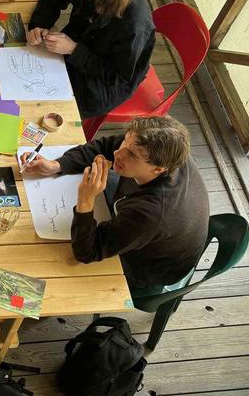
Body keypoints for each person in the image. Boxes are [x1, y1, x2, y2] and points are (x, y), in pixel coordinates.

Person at [22, 116, 209, 292]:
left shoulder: (151, 214)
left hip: (146, 266)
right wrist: (57, 165)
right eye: (125, 142)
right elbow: (105, 146)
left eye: (132, 155)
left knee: (55, 272)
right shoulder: (156, 148)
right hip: (148, 229)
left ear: (158, 169)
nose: (117, 153)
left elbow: (87, 252)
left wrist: (86, 199)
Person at [26, 0, 154, 119]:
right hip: (78, 48)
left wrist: (74, 49)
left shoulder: (134, 24)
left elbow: (117, 77)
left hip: (102, 83)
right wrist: (40, 25)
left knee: (45, 107)